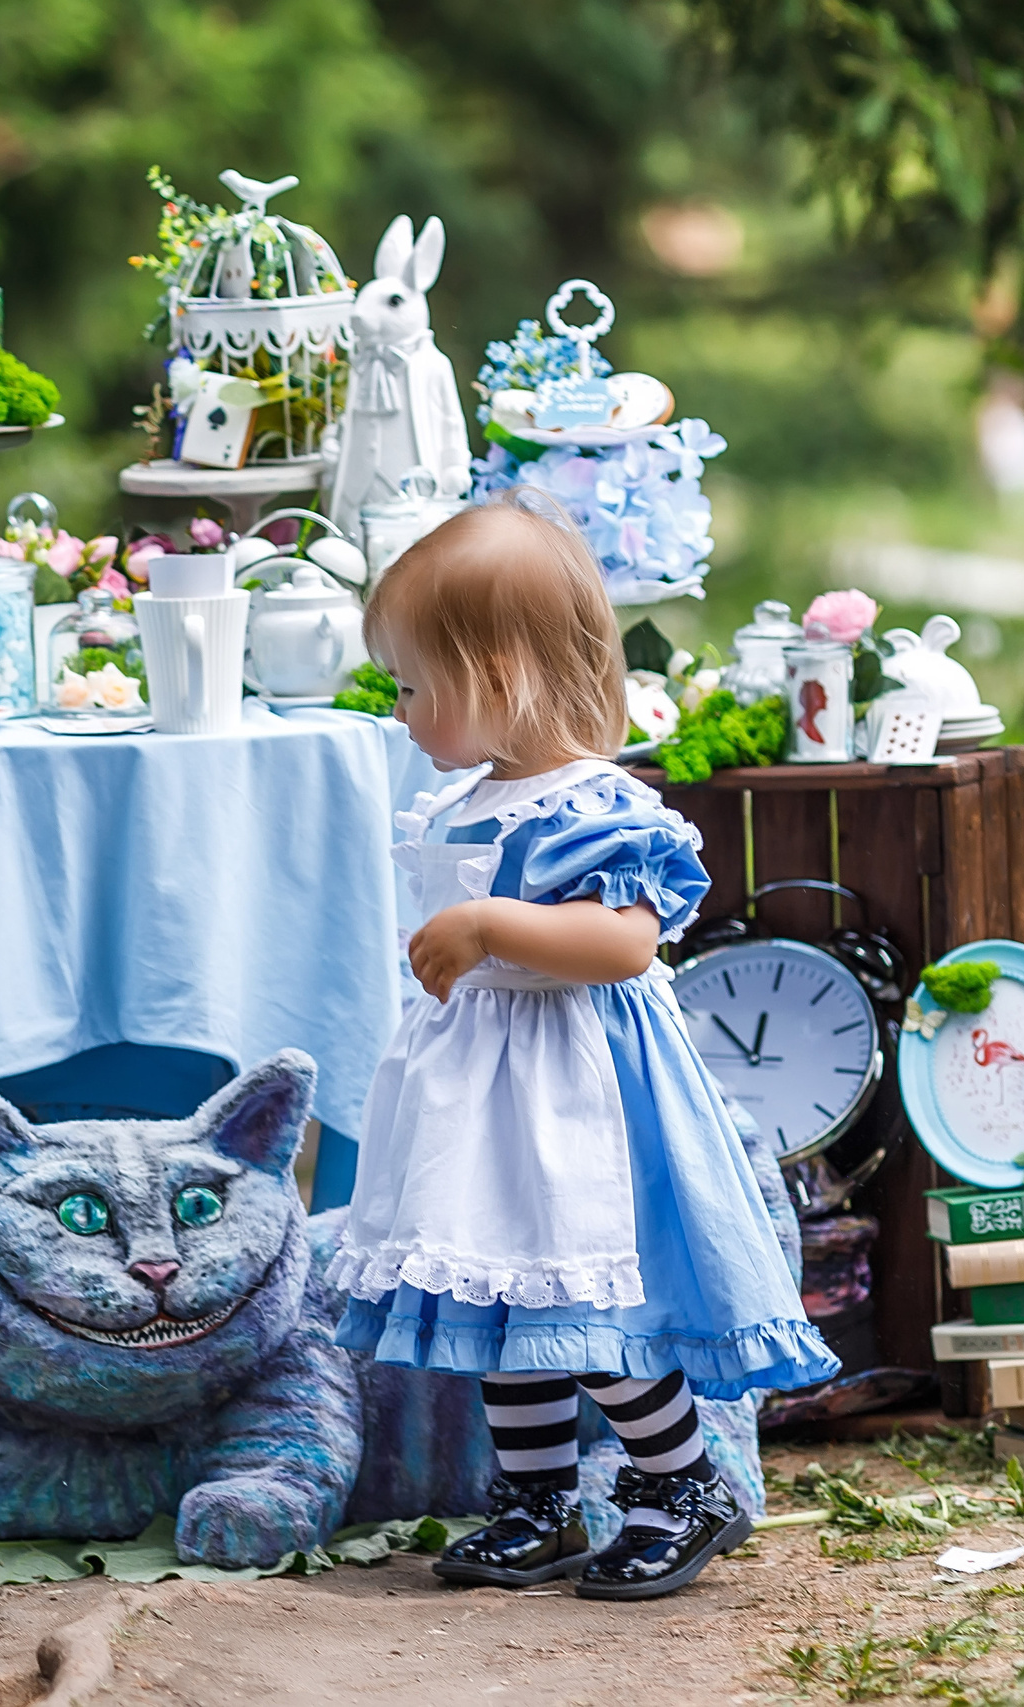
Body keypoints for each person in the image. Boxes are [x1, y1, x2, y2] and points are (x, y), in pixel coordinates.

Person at [326, 493, 836, 1601]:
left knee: (588, 1310)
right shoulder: (463, 798)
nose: (403, 710)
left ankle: (684, 1484)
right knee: (507, 1304)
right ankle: (538, 1499)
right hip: (482, 1096)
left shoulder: (598, 806)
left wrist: (488, 928)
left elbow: (620, 943)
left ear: (499, 675)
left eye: (417, 685)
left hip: (576, 1097)